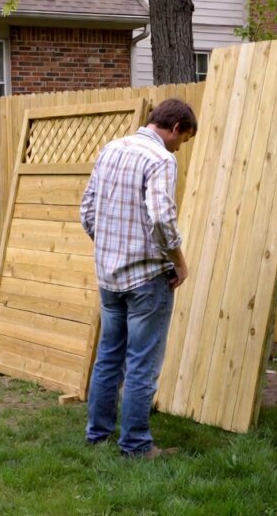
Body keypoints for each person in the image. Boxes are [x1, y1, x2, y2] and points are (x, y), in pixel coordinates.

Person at [80, 98, 196, 459]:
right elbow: (162, 220)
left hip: (109, 277)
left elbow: (87, 211)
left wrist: (111, 248)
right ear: (175, 128)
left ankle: (97, 436)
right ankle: (135, 445)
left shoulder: (111, 149)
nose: (181, 146)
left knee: (109, 357)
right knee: (142, 363)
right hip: (147, 279)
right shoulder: (161, 159)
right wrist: (179, 261)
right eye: (184, 139)